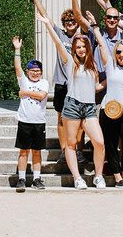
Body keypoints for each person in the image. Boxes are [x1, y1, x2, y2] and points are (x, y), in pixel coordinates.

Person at [35, 12, 107, 189]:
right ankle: (77, 177)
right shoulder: (69, 63)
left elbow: (96, 87)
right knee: (71, 143)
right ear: (74, 49)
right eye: (78, 47)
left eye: (84, 46)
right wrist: (47, 25)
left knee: (99, 142)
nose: (81, 49)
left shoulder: (92, 66)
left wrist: (108, 80)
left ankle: (98, 176)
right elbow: (59, 43)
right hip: (72, 106)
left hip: (89, 107)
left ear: (88, 48)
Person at [29, 0, 88, 166]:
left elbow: (80, 16)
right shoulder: (60, 35)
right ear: (64, 24)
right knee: (62, 118)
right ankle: (65, 150)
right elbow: (44, 15)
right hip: (62, 82)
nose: (70, 23)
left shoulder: (83, 38)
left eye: (73, 21)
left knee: (80, 120)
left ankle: (78, 150)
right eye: (67, 21)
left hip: (79, 83)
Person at [88, 10, 123, 188]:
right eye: (118, 52)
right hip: (109, 110)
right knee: (110, 144)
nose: (121, 55)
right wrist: (95, 27)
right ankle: (118, 177)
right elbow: (103, 45)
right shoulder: (110, 65)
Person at [11, 36, 49, 192]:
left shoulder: (44, 82)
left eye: (38, 71)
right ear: (28, 72)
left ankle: (37, 178)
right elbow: (17, 68)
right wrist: (17, 49)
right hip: (24, 120)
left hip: (39, 121)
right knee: (23, 151)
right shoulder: (24, 80)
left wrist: (24, 93)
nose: (35, 73)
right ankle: (21, 178)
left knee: (37, 151)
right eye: (33, 71)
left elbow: (42, 95)